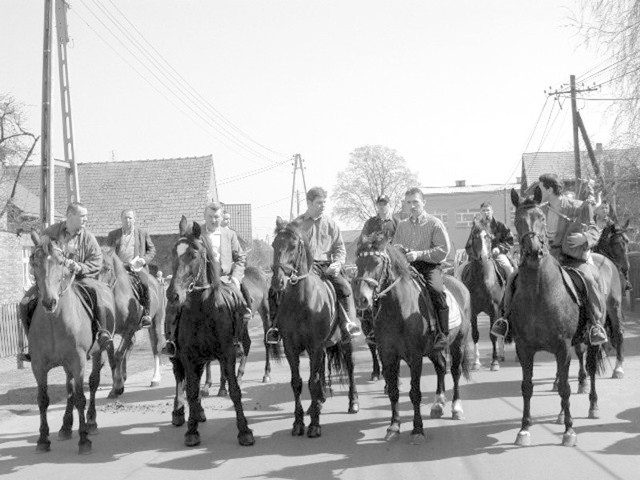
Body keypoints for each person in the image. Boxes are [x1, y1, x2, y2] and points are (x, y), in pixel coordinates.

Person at [491, 174, 608, 345]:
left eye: (540, 187)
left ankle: (595, 325)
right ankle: (506, 320)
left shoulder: (578, 206)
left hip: (573, 256)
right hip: (549, 256)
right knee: (513, 278)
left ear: (550, 189)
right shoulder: (541, 210)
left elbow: (594, 228)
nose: (537, 191)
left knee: (588, 279)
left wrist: (585, 238)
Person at [265, 186, 362, 345]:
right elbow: (289, 247)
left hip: (327, 265)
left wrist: (337, 264)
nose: (323, 206)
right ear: (309, 203)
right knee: (274, 290)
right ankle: (275, 327)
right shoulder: (297, 224)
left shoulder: (331, 224)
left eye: (324, 202)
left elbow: (339, 248)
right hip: (303, 268)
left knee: (345, 288)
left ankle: (348, 325)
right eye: (319, 203)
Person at [18, 202, 113, 362]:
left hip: (80, 279)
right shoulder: (51, 232)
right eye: (82, 216)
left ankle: (102, 333)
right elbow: (39, 255)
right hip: (54, 280)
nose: (86, 219)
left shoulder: (88, 237)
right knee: (25, 302)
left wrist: (79, 266)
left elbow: (97, 261)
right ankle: (32, 345)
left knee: (97, 295)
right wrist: (41, 244)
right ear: (70, 216)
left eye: (86, 216)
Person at [162, 202, 252, 357]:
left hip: (224, 279)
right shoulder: (196, 234)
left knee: (242, 304)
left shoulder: (230, 235)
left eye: (217, 217)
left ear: (222, 217)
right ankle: (171, 341)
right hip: (198, 281)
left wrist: (236, 278)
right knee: (174, 303)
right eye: (210, 216)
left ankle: (236, 341)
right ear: (205, 216)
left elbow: (240, 258)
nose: (213, 220)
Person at [393, 187, 451, 350]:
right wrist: (400, 253)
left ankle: (442, 333)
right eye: (408, 202)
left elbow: (443, 250)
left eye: (415, 202)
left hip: (429, 266)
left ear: (423, 203)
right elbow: (395, 247)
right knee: (387, 290)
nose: (412, 206)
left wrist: (419, 255)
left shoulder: (434, 223)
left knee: (436, 290)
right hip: (406, 267)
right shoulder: (402, 225)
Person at [106, 208, 157, 328]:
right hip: (118, 269)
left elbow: (152, 250)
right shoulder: (113, 235)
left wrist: (144, 260)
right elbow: (108, 253)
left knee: (145, 283)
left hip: (137, 268)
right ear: (121, 219)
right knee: (103, 283)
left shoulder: (142, 233)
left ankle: (146, 314)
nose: (127, 220)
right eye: (125, 218)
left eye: (130, 218)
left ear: (134, 220)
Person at [465, 201, 515, 279]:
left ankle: (510, 290)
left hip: (497, 255)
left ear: (492, 211)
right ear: (480, 212)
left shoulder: (500, 225)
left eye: (488, 210)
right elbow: (469, 244)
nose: (486, 212)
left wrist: (498, 249)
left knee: (508, 268)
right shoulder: (476, 227)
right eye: (483, 210)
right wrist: (476, 254)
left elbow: (509, 240)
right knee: (460, 270)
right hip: (479, 257)